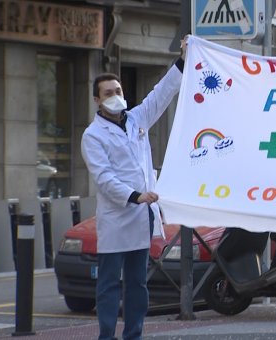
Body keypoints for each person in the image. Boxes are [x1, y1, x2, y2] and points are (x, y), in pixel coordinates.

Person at [80, 36, 188, 340]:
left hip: (141, 218)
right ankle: (106, 335)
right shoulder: (93, 136)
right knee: (110, 285)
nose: (115, 96)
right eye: (108, 93)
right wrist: (135, 196)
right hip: (117, 219)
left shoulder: (137, 118)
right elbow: (104, 178)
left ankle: (134, 335)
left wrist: (182, 59)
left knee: (138, 284)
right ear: (97, 100)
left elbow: (163, 93)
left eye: (118, 90)